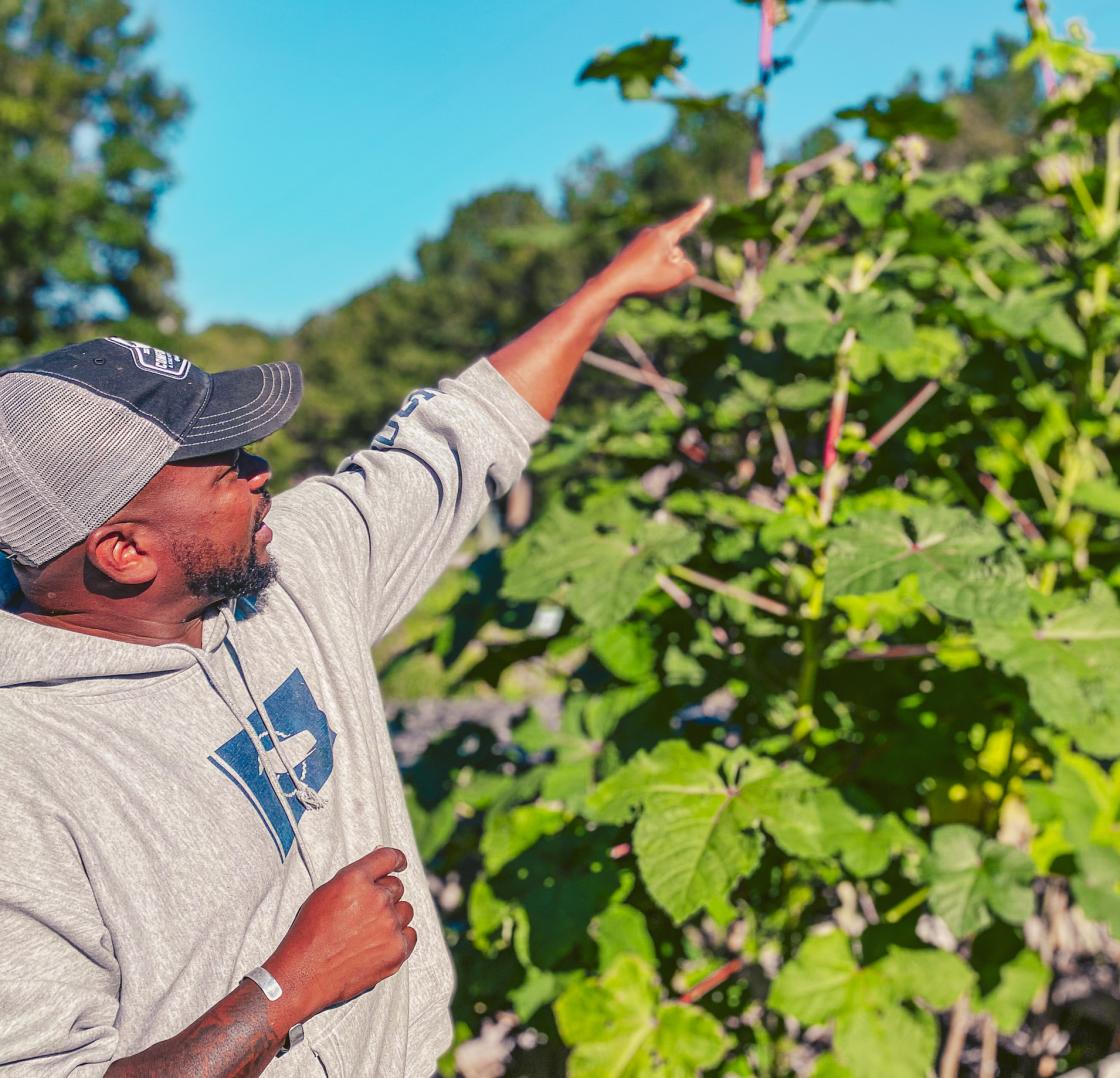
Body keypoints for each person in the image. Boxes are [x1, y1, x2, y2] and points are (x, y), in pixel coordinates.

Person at [0, 199, 710, 1077]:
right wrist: (284, 990)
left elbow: (452, 441)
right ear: (123, 550)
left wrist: (610, 287)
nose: (266, 473)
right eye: (229, 468)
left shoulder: (290, 572)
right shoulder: (22, 781)